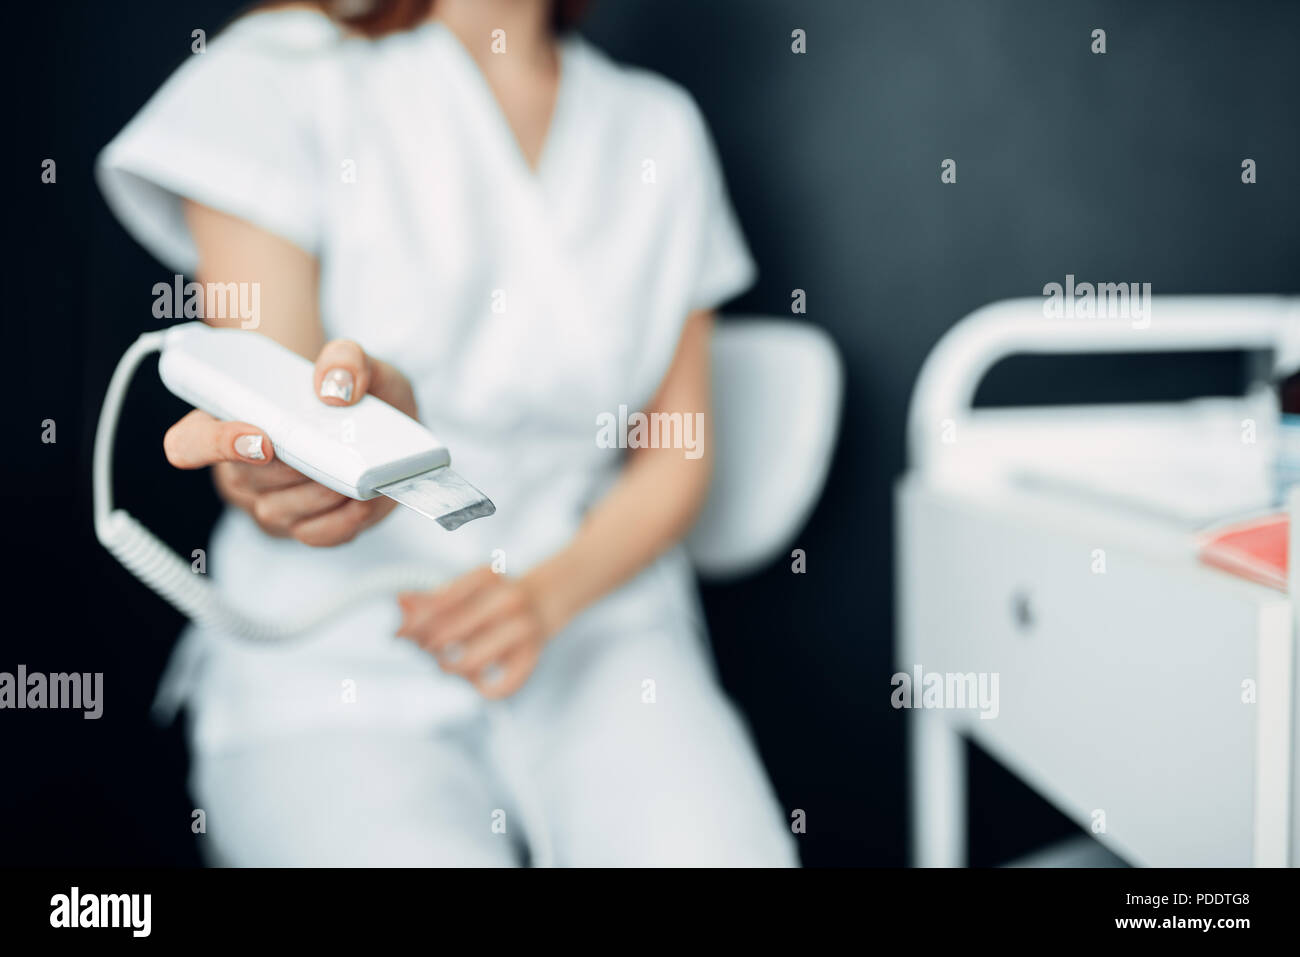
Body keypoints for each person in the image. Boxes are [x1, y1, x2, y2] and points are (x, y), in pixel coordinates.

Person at [98, 0, 796, 866]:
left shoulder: (658, 132)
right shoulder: (273, 78)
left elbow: (676, 457)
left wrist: (547, 595)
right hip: (333, 664)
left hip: (597, 620)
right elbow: (264, 414)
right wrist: (322, 459)